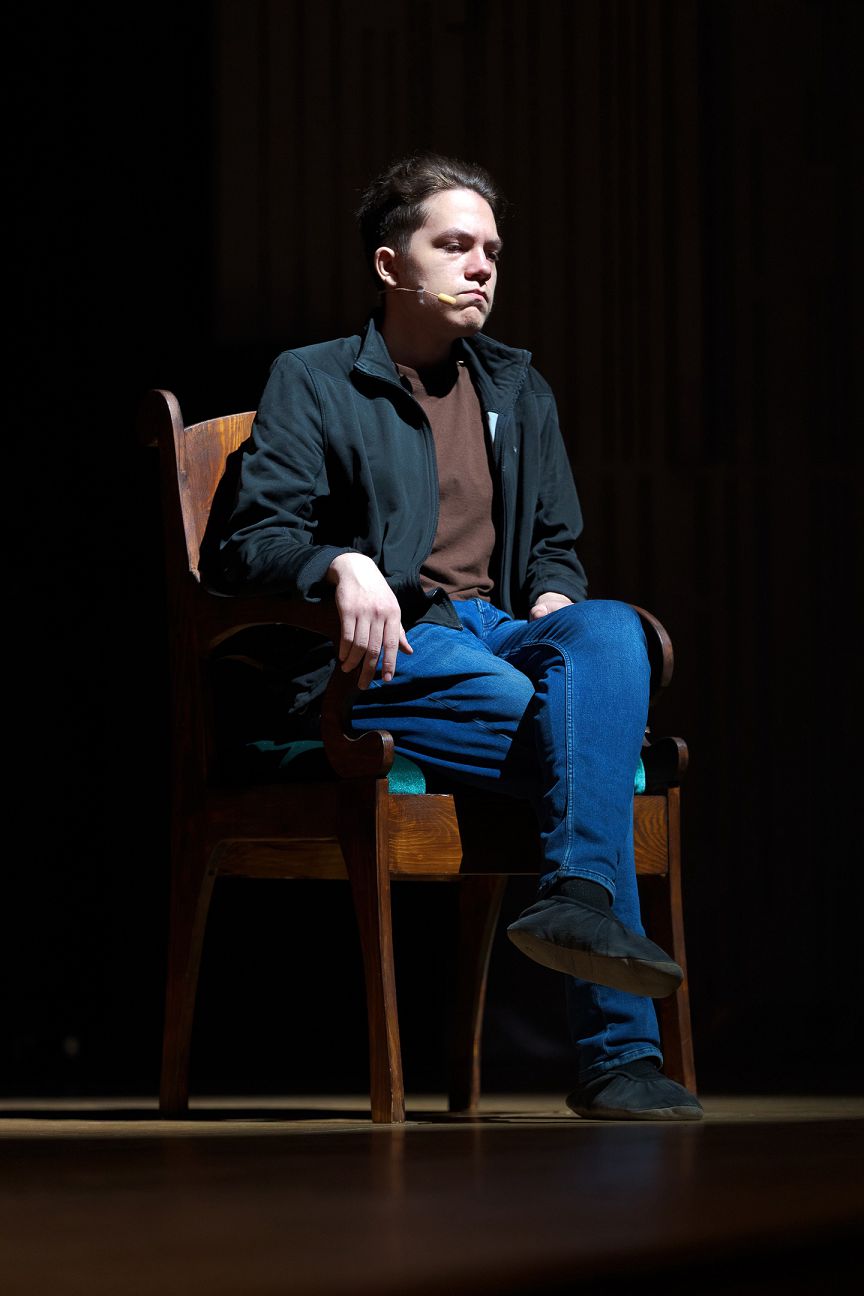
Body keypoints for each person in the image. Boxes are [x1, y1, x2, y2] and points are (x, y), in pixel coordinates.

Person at [217, 151, 703, 1121]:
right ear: (391, 263)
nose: (481, 265)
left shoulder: (518, 388)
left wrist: (558, 600)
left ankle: (574, 895)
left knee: (611, 632)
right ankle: (618, 1058)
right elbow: (250, 541)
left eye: (492, 250)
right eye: (455, 245)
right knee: (587, 741)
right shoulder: (314, 378)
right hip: (391, 644)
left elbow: (556, 549)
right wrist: (338, 563)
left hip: (498, 631)